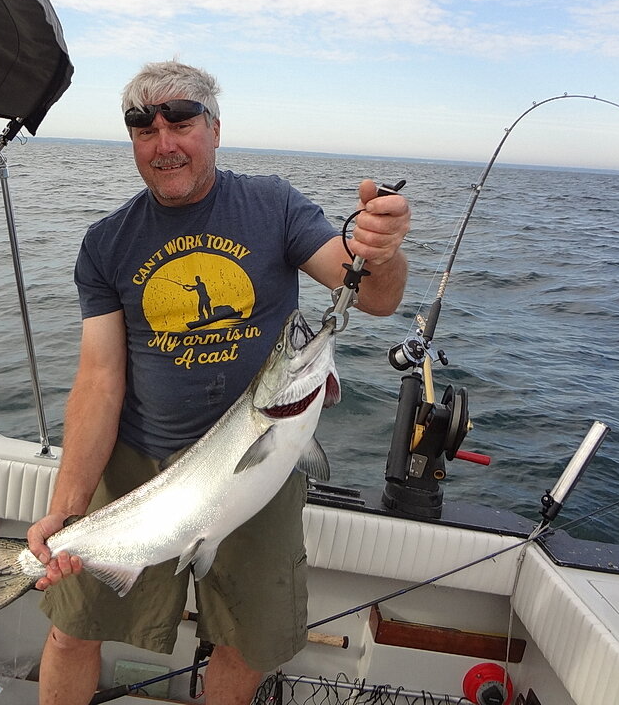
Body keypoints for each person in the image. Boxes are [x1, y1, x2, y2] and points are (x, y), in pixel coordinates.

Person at [27, 60, 410, 705]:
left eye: (181, 122)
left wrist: (383, 250)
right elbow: (99, 381)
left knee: (246, 645)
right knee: (72, 629)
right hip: (139, 466)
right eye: (144, 129)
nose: (164, 143)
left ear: (215, 129)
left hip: (258, 465)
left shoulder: (273, 206)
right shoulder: (106, 243)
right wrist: (66, 508)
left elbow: (373, 296)